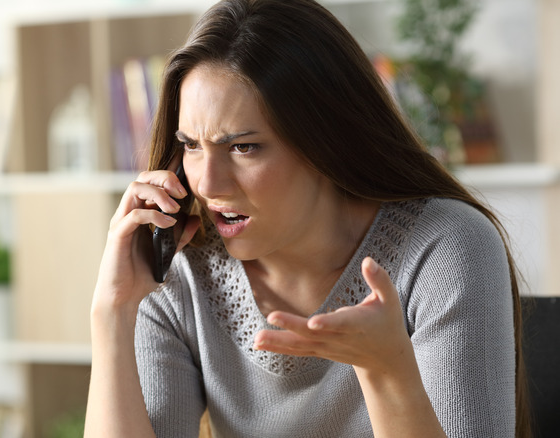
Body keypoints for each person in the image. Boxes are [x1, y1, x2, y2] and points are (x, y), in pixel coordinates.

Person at [84, 0, 530, 436]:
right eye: (192, 145)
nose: (208, 184)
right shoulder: (176, 267)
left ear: (326, 142)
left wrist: (386, 372)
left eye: (243, 147)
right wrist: (113, 313)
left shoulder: (445, 247)